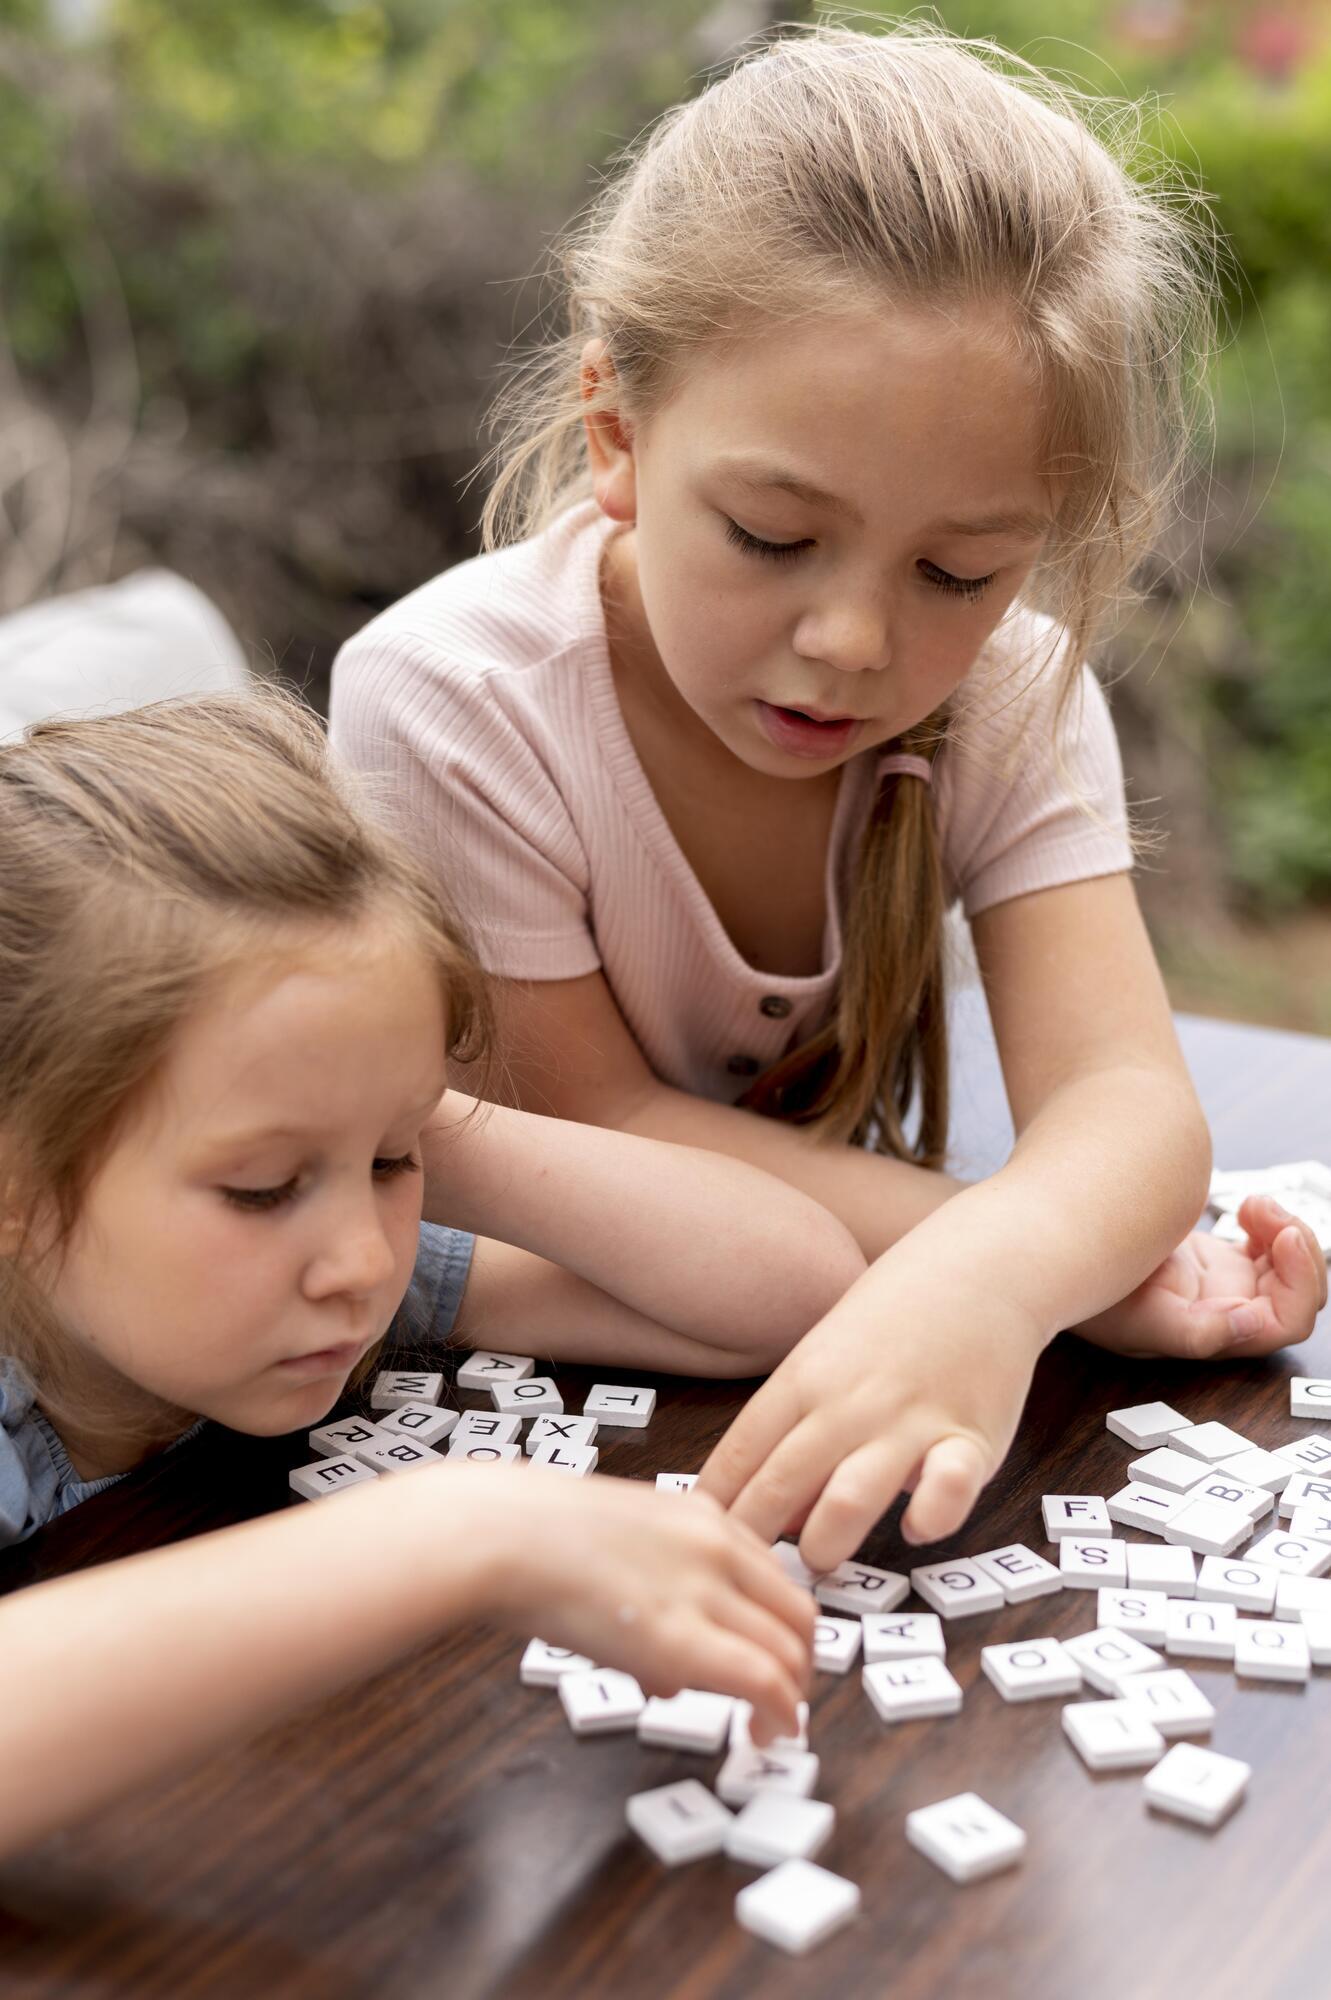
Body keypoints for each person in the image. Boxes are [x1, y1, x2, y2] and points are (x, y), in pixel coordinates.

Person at [330, 23, 1327, 1573]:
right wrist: (1017, 1262)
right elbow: (591, 1121)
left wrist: (1011, 1276)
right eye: (771, 534)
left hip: (769, 1340)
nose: (854, 640)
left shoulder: (1006, 691)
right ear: (616, 432)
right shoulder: (453, 701)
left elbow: (1125, 1109)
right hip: (493, 1380)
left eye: (955, 570)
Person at [0, 690, 857, 1856]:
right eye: (260, 1186)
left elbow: (795, 1291)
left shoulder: (322, 1273)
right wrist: (459, 1532)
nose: (360, 1260)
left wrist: (385, 1110)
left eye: (392, 1163)